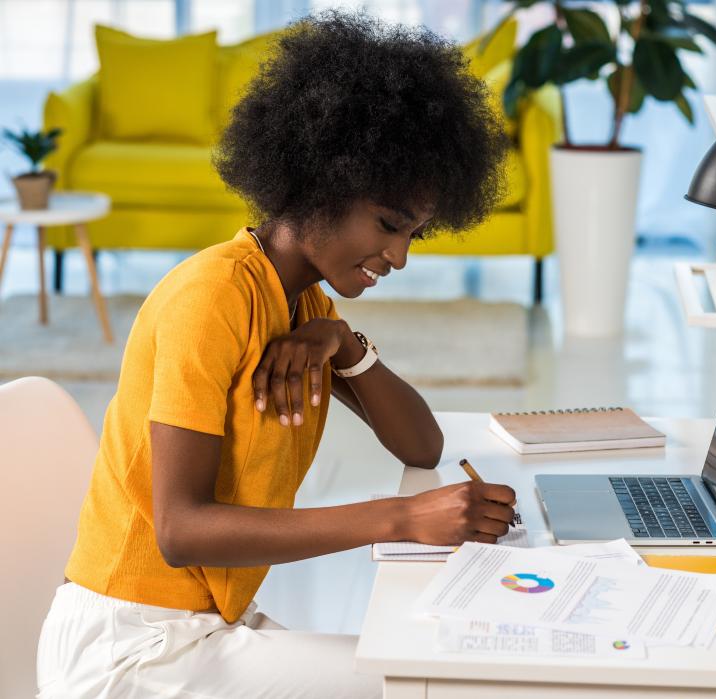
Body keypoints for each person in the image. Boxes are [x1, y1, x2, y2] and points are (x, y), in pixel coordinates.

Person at [36, 10, 514, 698]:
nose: (401, 256)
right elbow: (180, 530)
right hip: (131, 648)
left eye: (415, 233)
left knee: (419, 665)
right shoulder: (215, 295)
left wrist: (344, 344)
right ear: (320, 182)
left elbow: (421, 443)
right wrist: (403, 517)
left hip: (197, 626)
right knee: (419, 681)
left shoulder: (305, 304)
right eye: (387, 224)